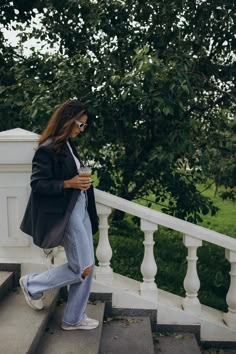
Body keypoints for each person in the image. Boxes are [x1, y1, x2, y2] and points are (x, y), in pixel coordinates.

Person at [19, 99, 99, 331]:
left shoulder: (69, 146)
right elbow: (38, 184)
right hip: (67, 214)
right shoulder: (47, 149)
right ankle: (33, 284)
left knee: (88, 266)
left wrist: (82, 182)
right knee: (82, 267)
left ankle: (73, 318)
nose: (80, 130)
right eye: (79, 124)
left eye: (83, 126)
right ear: (67, 120)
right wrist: (69, 183)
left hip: (81, 208)